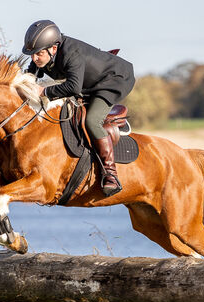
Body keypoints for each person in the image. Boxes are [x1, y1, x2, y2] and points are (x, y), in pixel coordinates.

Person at [22, 20, 135, 197]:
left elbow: (73, 87)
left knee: (92, 120)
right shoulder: (43, 56)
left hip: (114, 79)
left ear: (53, 48)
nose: (35, 58)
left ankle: (110, 174)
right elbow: (30, 76)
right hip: (90, 82)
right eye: (32, 54)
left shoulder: (71, 53)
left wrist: (44, 91)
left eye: (39, 54)